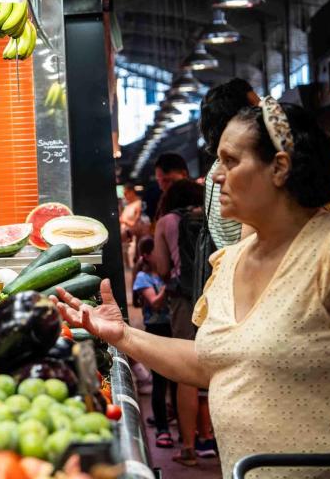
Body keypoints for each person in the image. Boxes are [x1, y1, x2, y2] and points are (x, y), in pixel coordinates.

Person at [53, 99, 330, 479]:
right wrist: (123, 335)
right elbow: (213, 363)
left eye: (230, 161)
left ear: (279, 168)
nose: (215, 176)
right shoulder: (230, 262)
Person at [150, 178, 215, 465]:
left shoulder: (166, 221)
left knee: (186, 369)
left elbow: (162, 268)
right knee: (217, 362)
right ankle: (210, 438)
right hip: (217, 295)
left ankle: (188, 447)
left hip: (184, 300)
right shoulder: (213, 215)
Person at [200, 78, 259, 249]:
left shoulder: (216, 168)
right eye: (257, 109)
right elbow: (252, 244)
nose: (267, 114)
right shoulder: (241, 170)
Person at [131, 237, 173, 449]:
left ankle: (172, 416)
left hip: (171, 329)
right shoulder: (142, 277)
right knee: (160, 381)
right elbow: (155, 304)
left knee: (175, 381)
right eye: (159, 250)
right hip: (157, 330)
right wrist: (170, 285)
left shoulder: (165, 273)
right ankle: (162, 429)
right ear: (147, 255)